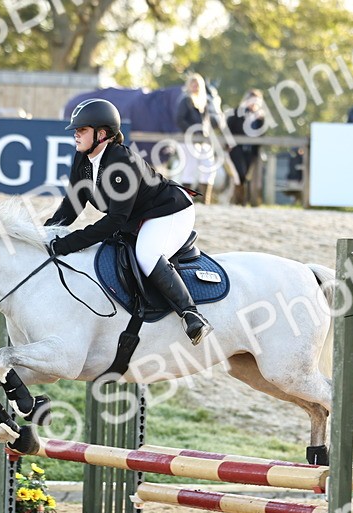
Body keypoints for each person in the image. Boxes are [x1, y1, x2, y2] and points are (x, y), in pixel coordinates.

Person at [45, 98, 212, 346]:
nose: (76, 136)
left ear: (102, 134)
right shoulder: (82, 159)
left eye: (82, 130)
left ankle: (191, 314)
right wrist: (46, 234)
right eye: (76, 131)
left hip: (169, 212)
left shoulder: (122, 163)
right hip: (137, 217)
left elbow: (114, 220)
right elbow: (72, 205)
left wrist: (68, 243)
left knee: (146, 254)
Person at [174, 73, 223, 204]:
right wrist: (192, 132)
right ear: (189, 85)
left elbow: (207, 121)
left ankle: (204, 200)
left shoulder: (204, 102)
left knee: (209, 167)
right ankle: (186, 200)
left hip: (203, 140)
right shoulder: (185, 100)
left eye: (197, 84)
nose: (195, 87)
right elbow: (180, 120)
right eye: (193, 84)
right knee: (189, 169)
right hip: (189, 139)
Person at [226, 89, 265, 206]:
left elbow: (262, 135)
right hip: (237, 149)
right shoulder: (237, 112)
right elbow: (228, 128)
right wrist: (229, 144)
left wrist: (261, 120)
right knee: (240, 173)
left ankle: (241, 200)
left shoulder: (260, 117)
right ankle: (240, 200)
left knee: (246, 175)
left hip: (251, 151)